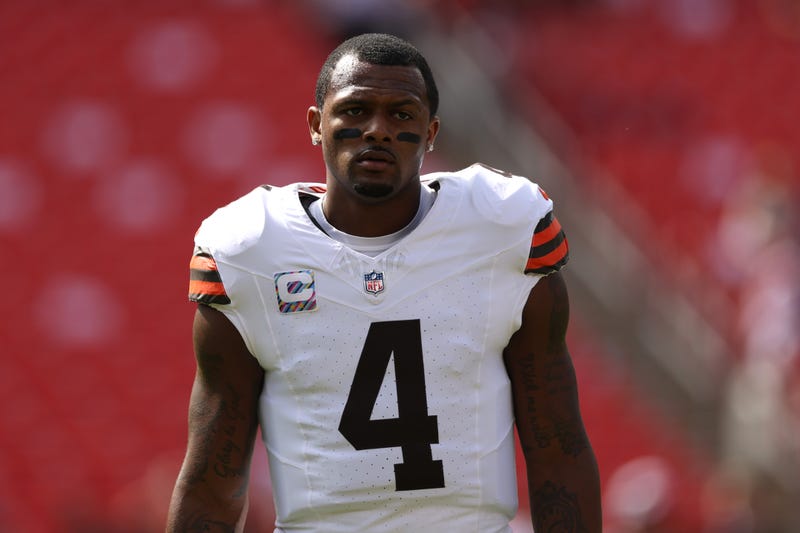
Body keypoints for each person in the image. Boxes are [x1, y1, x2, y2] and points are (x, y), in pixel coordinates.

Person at [167, 33, 601, 532]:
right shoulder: (251, 251)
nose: (376, 129)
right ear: (315, 124)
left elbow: (559, 449)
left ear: (431, 131)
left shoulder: (502, 230)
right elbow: (212, 482)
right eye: (354, 111)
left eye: (401, 114)